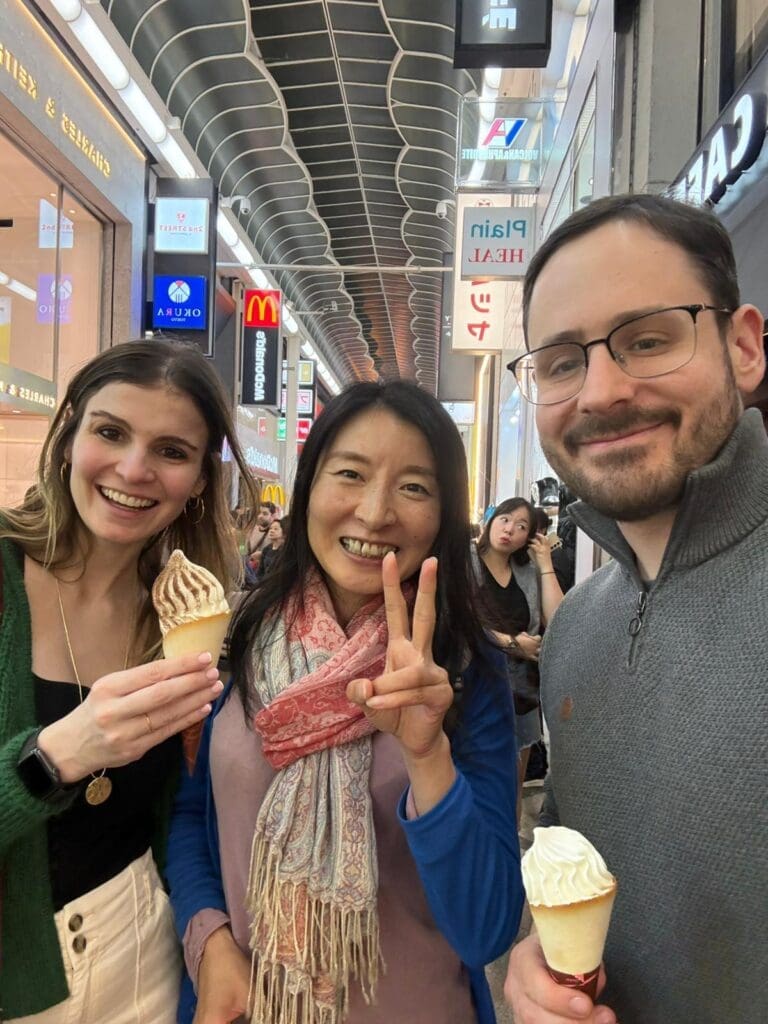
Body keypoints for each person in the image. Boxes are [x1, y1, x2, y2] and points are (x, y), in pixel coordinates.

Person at [167, 380, 524, 1024]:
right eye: (350, 474)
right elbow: (190, 815)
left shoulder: (467, 669)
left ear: (445, 512)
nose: (375, 511)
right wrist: (209, 936)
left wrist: (428, 754)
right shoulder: (242, 637)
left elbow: (487, 928)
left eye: (414, 486)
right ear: (309, 489)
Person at [504, 193, 767, 1023]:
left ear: (744, 346)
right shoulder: (576, 629)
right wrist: (534, 961)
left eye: (648, 340)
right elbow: (571, 851)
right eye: (559, 361)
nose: (603, 392)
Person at [0, 339, 256, 1022]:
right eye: (110, 432)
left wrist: (211, 935)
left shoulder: (183, 618)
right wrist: (50, 760)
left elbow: (175, 815)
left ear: (201, 479)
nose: (134, 469)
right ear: (69, 437)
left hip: (142, 957)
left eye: (172, 452)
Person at [474, 499, 563, 822]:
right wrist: (513, 643)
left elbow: (558, 617)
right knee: (477, 783)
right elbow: (456, 622)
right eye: (505, 519)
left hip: (522, 693)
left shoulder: (525, 569)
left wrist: (544, 562)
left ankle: (507, 858)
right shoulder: (466, 560)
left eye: (521, 526)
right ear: (491, 520)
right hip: (475, 687)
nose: (510, 529)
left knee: (512, 786)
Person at [254, 515, 287, 582]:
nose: (271, 531)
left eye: (276, 529)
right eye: (271, 528)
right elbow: (260, 571)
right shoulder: (267, 549)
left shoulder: (284, 550)